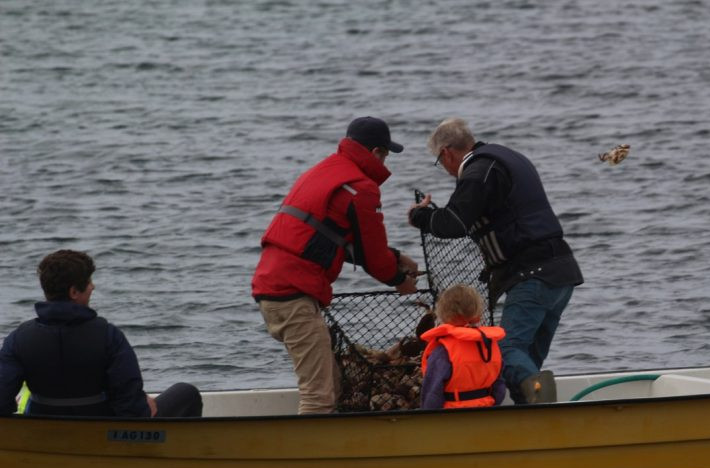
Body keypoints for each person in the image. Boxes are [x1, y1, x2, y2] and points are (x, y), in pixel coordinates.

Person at [408, 118, 583, 404]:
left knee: (509, 351)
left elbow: (452, 223)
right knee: (526, 360)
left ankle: (545, 407)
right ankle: (532, 417)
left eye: (441, 163)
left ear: (447, 153)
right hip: (561, 272)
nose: (447, 170)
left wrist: (420, 216)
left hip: (533, 275)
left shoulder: (478, 171)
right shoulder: (508, 157)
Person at [252, 116, 419, 414]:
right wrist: (398, 276)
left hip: (276, 288)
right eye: (385, 153)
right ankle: (305, 460)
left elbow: (331, 240)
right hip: (292, 296)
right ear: (376, 152)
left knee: (335, 382)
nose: (385, 160)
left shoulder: (325, 171)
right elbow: (375, 260)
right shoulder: (361, 188)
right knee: (319, 398)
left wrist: (395, 257)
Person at [0, 250, 202, 417]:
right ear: (74, 292)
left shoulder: (18, 339)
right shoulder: (109, 336)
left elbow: (1, 400)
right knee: (186, 393)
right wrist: (144, 408)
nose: (92, 286)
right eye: (88, 281)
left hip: (42, 432)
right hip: (105, 434)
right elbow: (130, 407)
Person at [420, 284, 505, 409]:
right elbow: (499, 388)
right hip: (486, 410)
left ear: (443, 314)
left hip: (453, 416)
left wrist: (427, 417)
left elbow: (433, 392)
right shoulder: (490, 345)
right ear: (477, 313)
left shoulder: (443, 350)